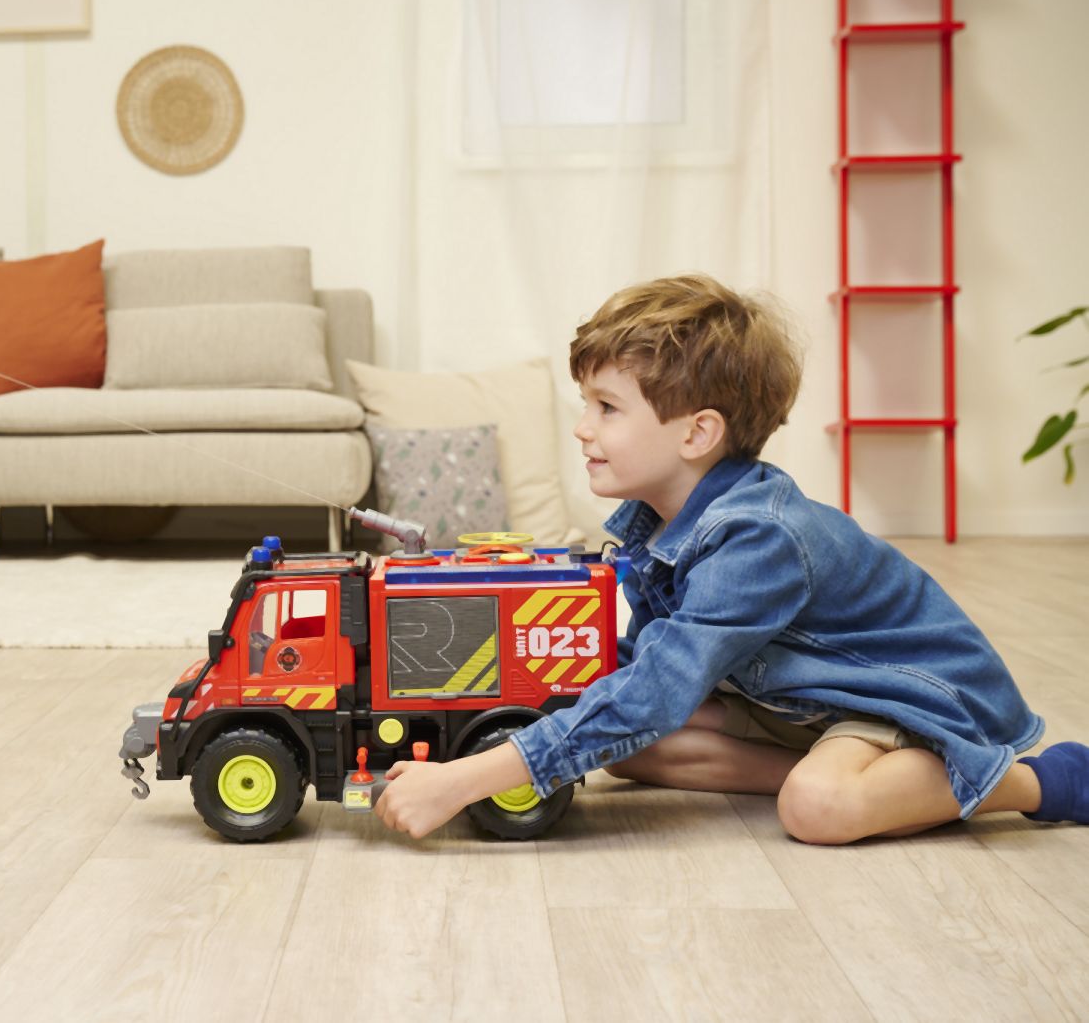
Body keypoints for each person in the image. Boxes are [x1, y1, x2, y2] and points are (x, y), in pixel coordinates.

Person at [375, 273, 1088, 843]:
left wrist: (467, 779)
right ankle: (839, 775)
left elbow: (656, 690)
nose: (582, 428)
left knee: (816, 808)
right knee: (624, 744)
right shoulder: (657, 521)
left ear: (697, 434)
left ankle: (1040, 781)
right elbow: (638, 673)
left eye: (607, 408)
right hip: (804, 700)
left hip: (903, 700)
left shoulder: (758, 538)